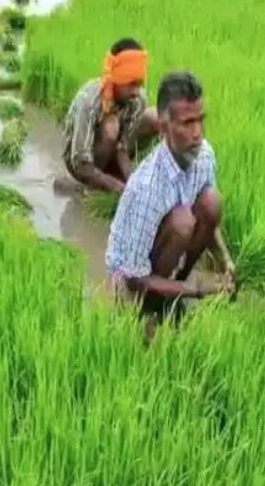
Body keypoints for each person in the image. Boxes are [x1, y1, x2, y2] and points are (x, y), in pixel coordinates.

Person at [105, 71, 236, 330]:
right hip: (129, 273)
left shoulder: (205, 155)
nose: (197, 133)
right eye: (187, 123)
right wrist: (199, 288)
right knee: (182, 221)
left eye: (200, 120)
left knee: (211, 201)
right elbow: (134, 278)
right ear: (164, 128)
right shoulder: (147, 187)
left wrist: (225, 260)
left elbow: (209, 217)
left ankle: (175, 289)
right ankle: (156, 301)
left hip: (164, 250)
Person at [62, 37, 159, 193]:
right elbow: (79, 163)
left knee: (156, 116)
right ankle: (93, 185)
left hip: (112, 152)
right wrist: (116, 187)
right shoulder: (90, 100)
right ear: (117, 79)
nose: (136, 91)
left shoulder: (137, 99)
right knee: (111, 126)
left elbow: (123, 148)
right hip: (82, 162)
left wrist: (133, 182)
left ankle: (113, 175)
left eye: (139, 84)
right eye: (131, 84)